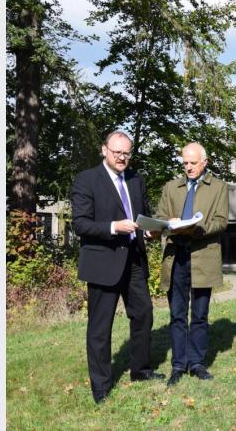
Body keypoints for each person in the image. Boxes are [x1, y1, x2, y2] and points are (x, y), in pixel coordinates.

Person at [70, 131, 164, 404]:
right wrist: (114, 227)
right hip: (103, 262)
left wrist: (151, 231)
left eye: (126, 153)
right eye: (117, 152)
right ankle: (101, 386)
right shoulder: (87, 180)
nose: (122, 157)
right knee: (100, 328)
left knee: (144, 314)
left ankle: (140, 370)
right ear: (104, 150)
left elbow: (141, 217)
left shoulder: (136, 179)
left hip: (134, 259)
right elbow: (81, 225)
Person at [154, 142, 229, 387]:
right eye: (185, 163)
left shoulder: (219, 188)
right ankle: (178, 364)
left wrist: (199, 228)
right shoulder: (171, 187)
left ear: (204, 162)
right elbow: (161, 217)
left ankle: (196, 363)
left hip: (203, 257)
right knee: (177, 314)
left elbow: (221, 222)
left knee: (199, 314)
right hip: (176, 257)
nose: (188, 167)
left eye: (193, 163)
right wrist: (169, 222)